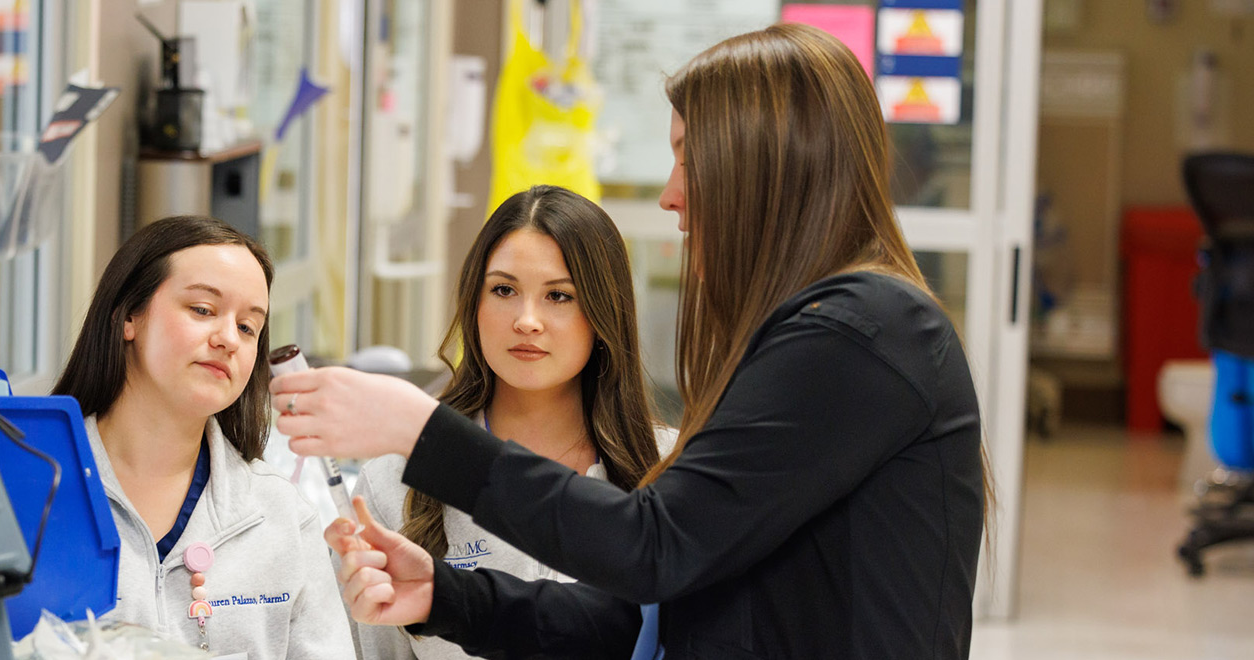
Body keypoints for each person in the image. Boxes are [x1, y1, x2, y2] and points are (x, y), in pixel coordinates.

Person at [279, 23, 987, 659]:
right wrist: (444, 597)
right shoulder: (825, 332)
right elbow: (648, 617)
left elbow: (652, 549)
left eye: (687, 157)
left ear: (761, 165)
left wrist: (416, 425)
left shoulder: (856, 336)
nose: (670, 195)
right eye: (504, 290)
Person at [349, 185, 674, 659]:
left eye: (558, 296)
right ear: (473, 304)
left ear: (604, 313)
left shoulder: (669, 468)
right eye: (503, 290)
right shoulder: (393, 480)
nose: (527, 320)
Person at [53, 215, 355, 658]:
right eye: (202, 310)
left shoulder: (280, 517)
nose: (228, 339)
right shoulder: (36, 487)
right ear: (128, 317)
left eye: (248, 327)